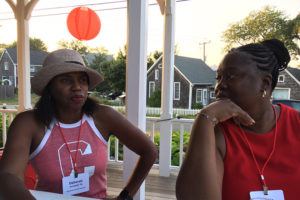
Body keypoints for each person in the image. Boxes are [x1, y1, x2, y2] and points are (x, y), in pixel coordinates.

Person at [0, 49, 157, 200]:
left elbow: (149, 150)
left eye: (82, 80)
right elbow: (8, 176)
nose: (77, 87)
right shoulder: (29, 123)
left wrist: (126, 196)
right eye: (66, 80)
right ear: (50, 87)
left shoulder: (103, 116)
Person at [176, 39, 300, 199]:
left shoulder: (296, 125)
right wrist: (204, 119)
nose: (220, 86)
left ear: (265, 84)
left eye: (230, 76)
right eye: (218, 78)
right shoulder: (217, 134)